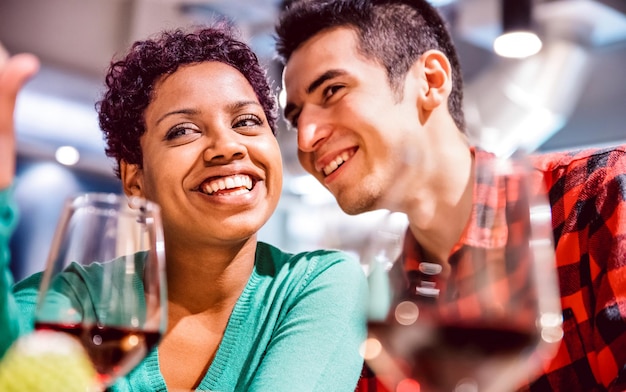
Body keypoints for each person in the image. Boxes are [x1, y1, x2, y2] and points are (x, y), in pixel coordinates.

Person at [274, 0, 626, 391]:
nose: (305, 138)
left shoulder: (601, 195)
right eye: (295, 117)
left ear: (431, 80)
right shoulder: (387, 317)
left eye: (332, 90)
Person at [0, 23, 368, 391]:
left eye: (247, 122)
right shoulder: (72, 303)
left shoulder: (318, 286)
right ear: (135, 179)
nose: (228, 146)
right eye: (183, 130)